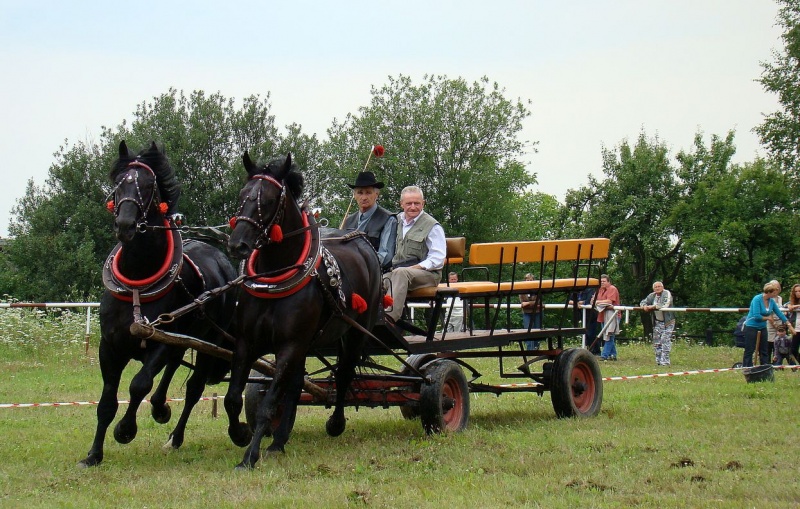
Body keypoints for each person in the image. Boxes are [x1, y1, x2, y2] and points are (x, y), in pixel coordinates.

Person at [383, 186, 446, 323]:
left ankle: (388, 319)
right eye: (408, 203)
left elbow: (438, 259)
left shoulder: (432, 226)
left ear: (423, 203)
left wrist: (413, 269)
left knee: (400, 274)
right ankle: (368, 319)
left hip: (428, 275)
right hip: (398, 273)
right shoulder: (396, 221)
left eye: (417, 203)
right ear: (401, 204)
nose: (413, 207)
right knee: (374, 280)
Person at [342, 171, 397, 272]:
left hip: (376, 275)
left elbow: (386, 257)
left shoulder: (388, 219)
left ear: (376, 194)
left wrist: (359, 266)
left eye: (368, 192)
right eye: (360, 193)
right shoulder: (348, 220)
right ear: (354, 195)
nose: (364, 197)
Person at [742, 281, 791, 367]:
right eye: (774, 293)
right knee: (750, 349)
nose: (776, 294)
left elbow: (779, 313)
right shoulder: (757, 299)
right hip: (752, 326)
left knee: (764, 349)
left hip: (762, 327)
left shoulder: (771, 301)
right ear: (769, 292)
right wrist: (768, 318)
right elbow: (756, 315)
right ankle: (747, 367)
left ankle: (764, 367)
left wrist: (788, 323)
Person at [640, 281, 676, 366]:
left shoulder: (667, 293)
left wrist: (653, 306)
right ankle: (658, 361)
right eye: (655, 287)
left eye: (659, 286)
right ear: (653, 288)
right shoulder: (652, 295)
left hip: (668, 321)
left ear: (662, 287)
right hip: (657, 322)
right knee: (657, 342)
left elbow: (665, 304)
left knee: (665, 339)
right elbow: (643, 302)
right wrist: (644, 306)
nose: (657, 288)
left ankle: (665, 361)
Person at [595, 274, 621, 361]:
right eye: (601, 281)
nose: (602, 283)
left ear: (609, 282)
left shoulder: (612, 289)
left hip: (612, 315)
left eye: (604, 281)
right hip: (602, 315)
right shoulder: (599, 290)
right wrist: (598, 302)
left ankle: (604, 355)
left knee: (609, 335)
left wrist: (597, 302)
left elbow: (609, 301)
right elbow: (592, 300)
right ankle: (613, 355)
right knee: (606, 335)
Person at [570, 287, 599, 355]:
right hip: (583, 315)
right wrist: (577, 303)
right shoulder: (575, 291)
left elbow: (588, 301)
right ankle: (590, 350)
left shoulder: (590, 290)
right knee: (586, 334)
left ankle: (596, 351)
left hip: (591, 315)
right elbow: (569, 300)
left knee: (591, 334)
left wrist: (580, 302)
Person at [520, 273, 544, 350]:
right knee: (527, 330)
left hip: (538, 312)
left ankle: (536, 348)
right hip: (526, 313)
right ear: (525, 280)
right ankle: (530, 349)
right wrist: (531, 303)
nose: (529, 281)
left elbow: (539, 301)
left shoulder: (538, 289)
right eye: (527, 280)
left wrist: (528, 303)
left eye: (531, 280)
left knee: (537, 330)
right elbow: (522, 303)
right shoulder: (521, 290)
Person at [764, 279, 783, 361]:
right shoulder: (768, 299)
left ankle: (777, 363)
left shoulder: (780, 298)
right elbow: (769, 313)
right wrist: (774, 325)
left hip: (779, 323)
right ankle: (767, 363)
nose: (777, 290)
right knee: (769, 344)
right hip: (771, 323)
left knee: (778, 344)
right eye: (776, 288)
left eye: (778, 288)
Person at [786, 283, 800, 364]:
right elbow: (786, 306)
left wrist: (795, 306)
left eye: (799, 291)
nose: (798, 293)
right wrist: (790, 305)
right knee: (793, 350)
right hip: (797, 328)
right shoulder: (792, 301)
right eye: (796, 291)